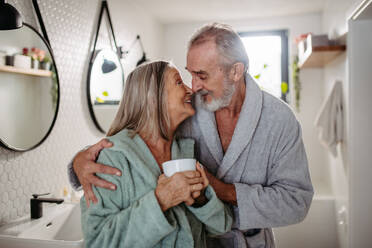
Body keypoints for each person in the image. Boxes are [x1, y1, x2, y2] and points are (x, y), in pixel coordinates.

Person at [69, 23, 313, 248]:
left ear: (235, 72)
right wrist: (79, 163)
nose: (193, 87)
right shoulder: (189, 111)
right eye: (188, 75)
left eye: (202, 75)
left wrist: (221, 190)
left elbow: (296, 202)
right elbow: (130, 144)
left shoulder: (279, 121)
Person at [80, 61, 232, 248]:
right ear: (153, 97)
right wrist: (161, 200)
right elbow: (98, 242)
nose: (190, 90)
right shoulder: (112, 158)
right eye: (178, 82)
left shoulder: (185, 153)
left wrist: (200, 200)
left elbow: (222, 226)